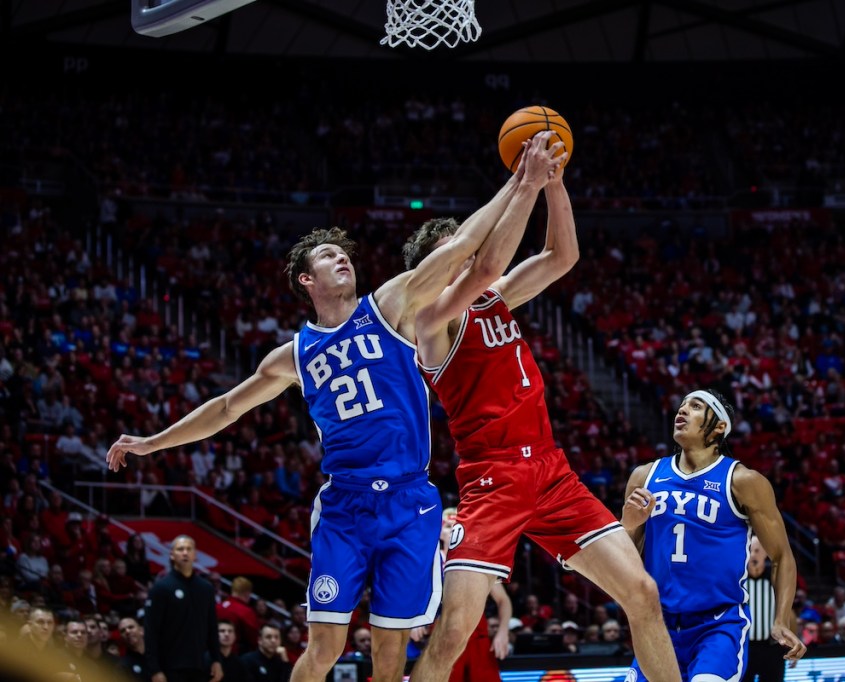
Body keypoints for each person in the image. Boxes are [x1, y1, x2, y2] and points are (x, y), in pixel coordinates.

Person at [106, 136, 564, 682]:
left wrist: (521, 183)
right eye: (327, 255)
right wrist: (152, 442)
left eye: (343, 252)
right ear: (307, 279)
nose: (341, 257)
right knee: (324, 647)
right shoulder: (293, 355)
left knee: (391, 657)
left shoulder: (391, 304)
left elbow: (464, 245)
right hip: (345, 506)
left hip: (409, 502)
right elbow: (227, 407)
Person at [408, 142, 681, 682]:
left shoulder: (496, 298)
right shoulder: (430, 320)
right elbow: (487, 261)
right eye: (452, 250)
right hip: (493, 478)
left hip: (552, 473)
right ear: (431, 268)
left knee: (642, 592)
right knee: (455, 631)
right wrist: (526, 183)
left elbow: (562, 257)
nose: (466, 253)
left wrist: (554, 183)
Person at [621, 390, 806, 681]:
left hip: (718, 625)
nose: (681, 411)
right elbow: (624, 559)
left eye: (695, 406)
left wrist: (781, 618)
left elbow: (782, 555)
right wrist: (628, 524)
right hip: (658, 624)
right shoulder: (644, 476)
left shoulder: (743, 481)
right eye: (681, 405)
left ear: (720, 426)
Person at [414, 508, 511, 682]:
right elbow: (412, 595)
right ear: (439, 532)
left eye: (458, 526)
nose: (453, 531)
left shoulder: (477, 559)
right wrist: (414, 620)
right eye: (449, 527)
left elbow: (503, 601)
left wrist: (503, 631)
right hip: (443, 631)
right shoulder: (430, 561)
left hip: (477, 635)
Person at [143, 535, 222, 682]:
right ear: (172, 555)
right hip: (170, 667)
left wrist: (216, 660)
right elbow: (151, 631)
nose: (185, 553)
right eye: (180, 549)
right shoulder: (161, 588)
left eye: (189, 549)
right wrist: (154, 669)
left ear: (195, 554)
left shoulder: (206, 588)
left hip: (200, 665)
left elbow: (212, 627)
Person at [743, 536, 786, 682]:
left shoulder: (775, 579)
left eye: (757, 551)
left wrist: (793, 643)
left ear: (766, 554)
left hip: (771, 648)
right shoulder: (738, 580)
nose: (753, 554)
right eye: (750, 550)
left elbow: (788, 612)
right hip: (744, 648)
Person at [118, 616, 152, 682]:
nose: (127, 631)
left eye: (131, 627)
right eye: (123, 631)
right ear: (121, 638)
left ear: (141, 630)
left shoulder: (158, 654)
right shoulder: (123, 666)